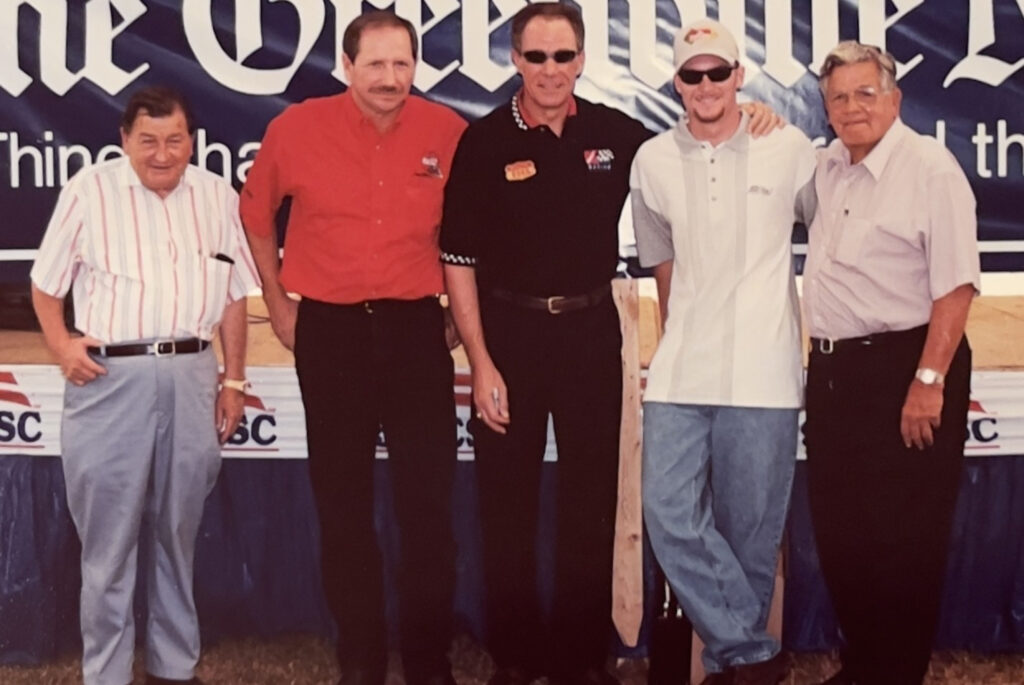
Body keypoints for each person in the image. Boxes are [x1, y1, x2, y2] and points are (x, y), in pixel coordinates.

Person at [440, 5, 781, 684]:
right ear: (514, 60)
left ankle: (577, 658)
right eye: (536, 57)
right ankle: (515, 657)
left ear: (582, 59)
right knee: (506, 501)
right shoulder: (482, 142)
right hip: (509, 337)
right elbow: (458, 259)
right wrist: (480, 363)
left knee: (591, 501)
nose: (550, 71)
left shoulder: (614, 132)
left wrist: (756, 117)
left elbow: (695, 138)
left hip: (592, 333)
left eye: (563, 57)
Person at [239, 11, 466, 685]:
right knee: (342, 503)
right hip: (330, 332)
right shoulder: (296, 128)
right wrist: (279, 304)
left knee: (428, 506)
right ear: (346, 66)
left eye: (402, 65)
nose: (391, 79)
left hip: (416, 331)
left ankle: (428, 660)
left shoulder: (447, 132)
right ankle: (361, 657)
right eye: (376, 65)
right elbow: (254, 217)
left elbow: (479, 232)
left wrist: (455, 318)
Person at [30, 86, 259, 685]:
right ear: (124, 140)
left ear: (192, 141)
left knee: (177, 530)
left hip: (191, 376)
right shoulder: (89, 191)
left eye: (175, 140)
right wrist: (60, 344)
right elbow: (46, 283)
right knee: (107, 540)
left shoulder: (217, 195)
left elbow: (234, 295)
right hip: (110, 381)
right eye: (148, 141)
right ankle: (105, 673)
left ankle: (174, 665)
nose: (163, 154)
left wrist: (233, 380)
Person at [630, 18, 815, 685]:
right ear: (676, 83)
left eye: (718, 72)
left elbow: (836, 233)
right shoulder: (651, 160)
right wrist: (681, 332)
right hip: (680, 374)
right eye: (691, 74)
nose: (705, 85)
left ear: (740, 76)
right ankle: (756, 655)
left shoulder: (790, 146)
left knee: (750, 537)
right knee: (668, 513)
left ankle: (731, 666)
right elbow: (664, 270)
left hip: (764, 378)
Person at [803, 42, 979, 685]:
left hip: (908, 371)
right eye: (838, 97)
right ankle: (864, 666)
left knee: (905, 540)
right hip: (834, 377)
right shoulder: (828, 169)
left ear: (895, 99)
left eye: (864, 94)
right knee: (844, 532)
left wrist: (928, 382)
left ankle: (895, 673)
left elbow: (955, 287)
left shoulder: (931, 170)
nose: (852, 108)